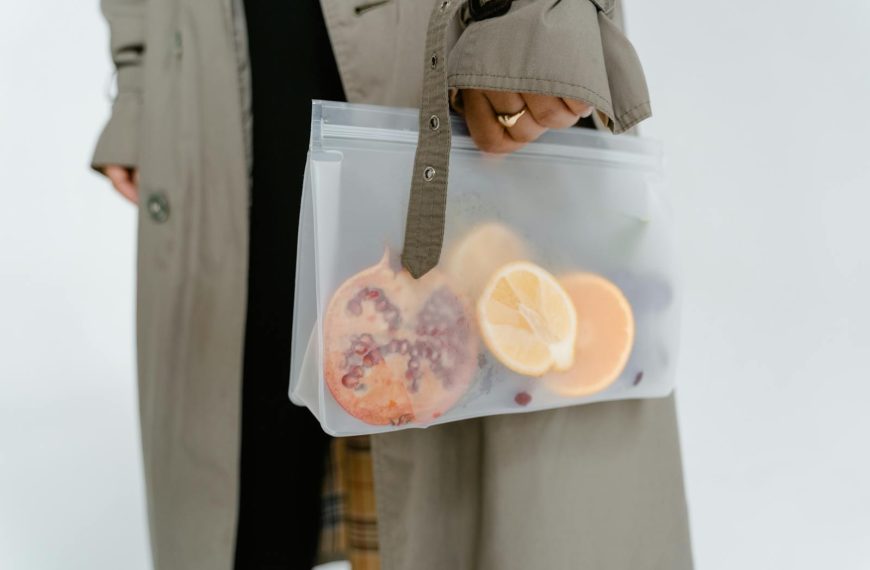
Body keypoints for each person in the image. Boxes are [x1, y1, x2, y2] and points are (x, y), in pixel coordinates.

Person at [93, 0, 692, 568]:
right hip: (222, 71)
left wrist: (550, 15)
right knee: (253, 484)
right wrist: (141, 78)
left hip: (459, 44)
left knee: (494, 483)